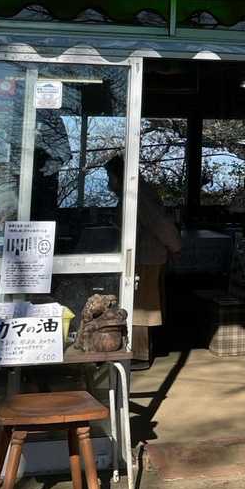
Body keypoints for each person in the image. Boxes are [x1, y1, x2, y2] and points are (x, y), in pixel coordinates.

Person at [104, 153, 181, 362]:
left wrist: (175, 247)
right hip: (143, 256)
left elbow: (160, 224)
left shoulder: (139, 195)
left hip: (145, 258)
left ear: (120, 176)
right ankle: (138, 352)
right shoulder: (135, 193)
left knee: (141, 308)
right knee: (140, 306)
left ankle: (138, 354)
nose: (109, 182)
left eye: (110, 177)